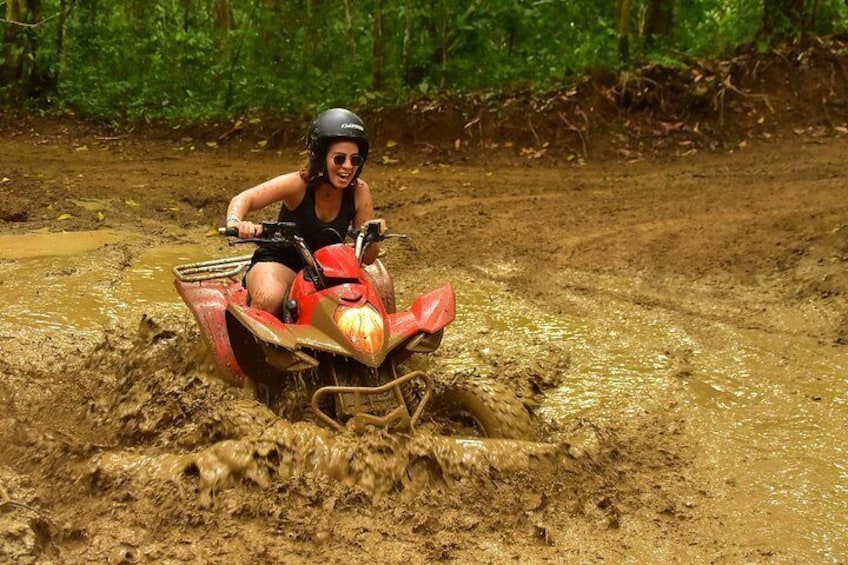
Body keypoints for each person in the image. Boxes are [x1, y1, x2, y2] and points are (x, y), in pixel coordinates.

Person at [225, 108, 383, 318]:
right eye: (339, 159)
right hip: (282, 262)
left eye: (355, 160)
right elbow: (245, 198)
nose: (347, 167)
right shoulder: (298, 184)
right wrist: (237, 223)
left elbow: (368, 259)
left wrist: (374, 235)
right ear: (320, 156)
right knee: (269, 298)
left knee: (381, 289)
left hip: (329, 269)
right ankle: (253, 344)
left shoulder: (359, 191)